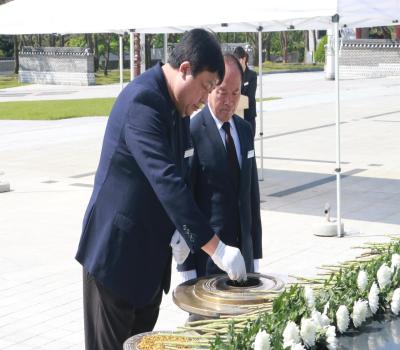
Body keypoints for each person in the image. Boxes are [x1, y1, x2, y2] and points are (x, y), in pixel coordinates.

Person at [75, 29, 248, 350]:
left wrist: (181, 233)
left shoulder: (180, 108)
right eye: (207, 86)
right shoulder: (144, 101)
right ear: (185, 69)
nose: (205, 97)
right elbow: (166, 179)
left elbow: (182, 179)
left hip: (150, 266)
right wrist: (216, 248)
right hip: (116, 258)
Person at [178, 54, 262, 283]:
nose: (229, 101)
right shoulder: (192, 131)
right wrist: (186, 270)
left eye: (235, 93)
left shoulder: (244, 130)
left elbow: (251, 196)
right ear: (210, 87)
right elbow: (184, 202)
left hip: (243, 257)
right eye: (222, 92)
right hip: (208, 261)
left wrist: (255, 256)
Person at [233, 46, 258, 138]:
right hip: (236, 117)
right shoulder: (234, 75)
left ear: (244, 59)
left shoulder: (252, 75)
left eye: (238, 60)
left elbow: (250, 98)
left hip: (248, 117)